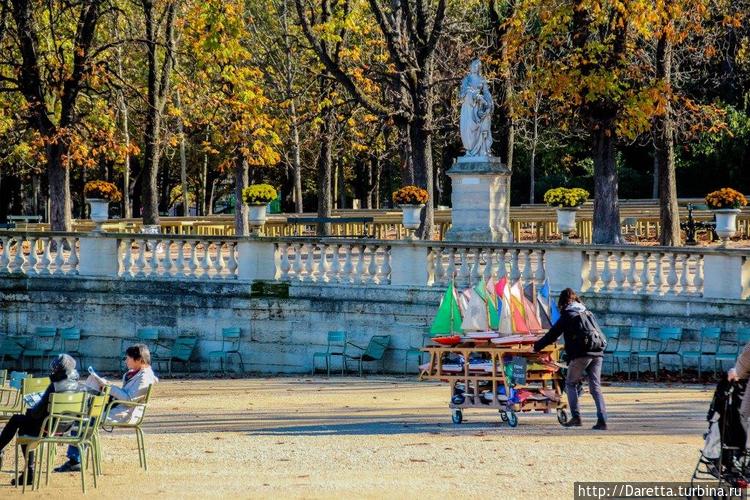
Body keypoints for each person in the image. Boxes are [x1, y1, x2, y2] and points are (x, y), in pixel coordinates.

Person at [55, 343, 158, 473]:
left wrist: (108, 387)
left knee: (84, 419)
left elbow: (129, 399)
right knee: (84, 412)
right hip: (118, 408)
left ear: (138, 360)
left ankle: (74, 459)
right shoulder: (135, 374)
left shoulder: (145, 376)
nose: (126, 360)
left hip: (126, 413)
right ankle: (75, 458)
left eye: (128, 358)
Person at [0, 354, 83, 485]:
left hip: (47, 427)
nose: (53, 370)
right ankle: (28, 473)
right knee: (23, 426)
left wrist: (31, 409)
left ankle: (28, 470)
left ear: (58, 369)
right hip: (65, 428)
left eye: (55, 367)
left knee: (18, 420)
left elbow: (36, 413)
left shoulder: (55, 385)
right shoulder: (78, 386)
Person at [533, 288, 608, 430]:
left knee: (570, 383)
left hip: (582, 353)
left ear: (562, 302)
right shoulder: (587, 312)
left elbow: (552, 335)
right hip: (598, 352)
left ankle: (576, 417)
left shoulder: (568, 314)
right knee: (595, 386)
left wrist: (536, 347)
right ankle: (602, 419)